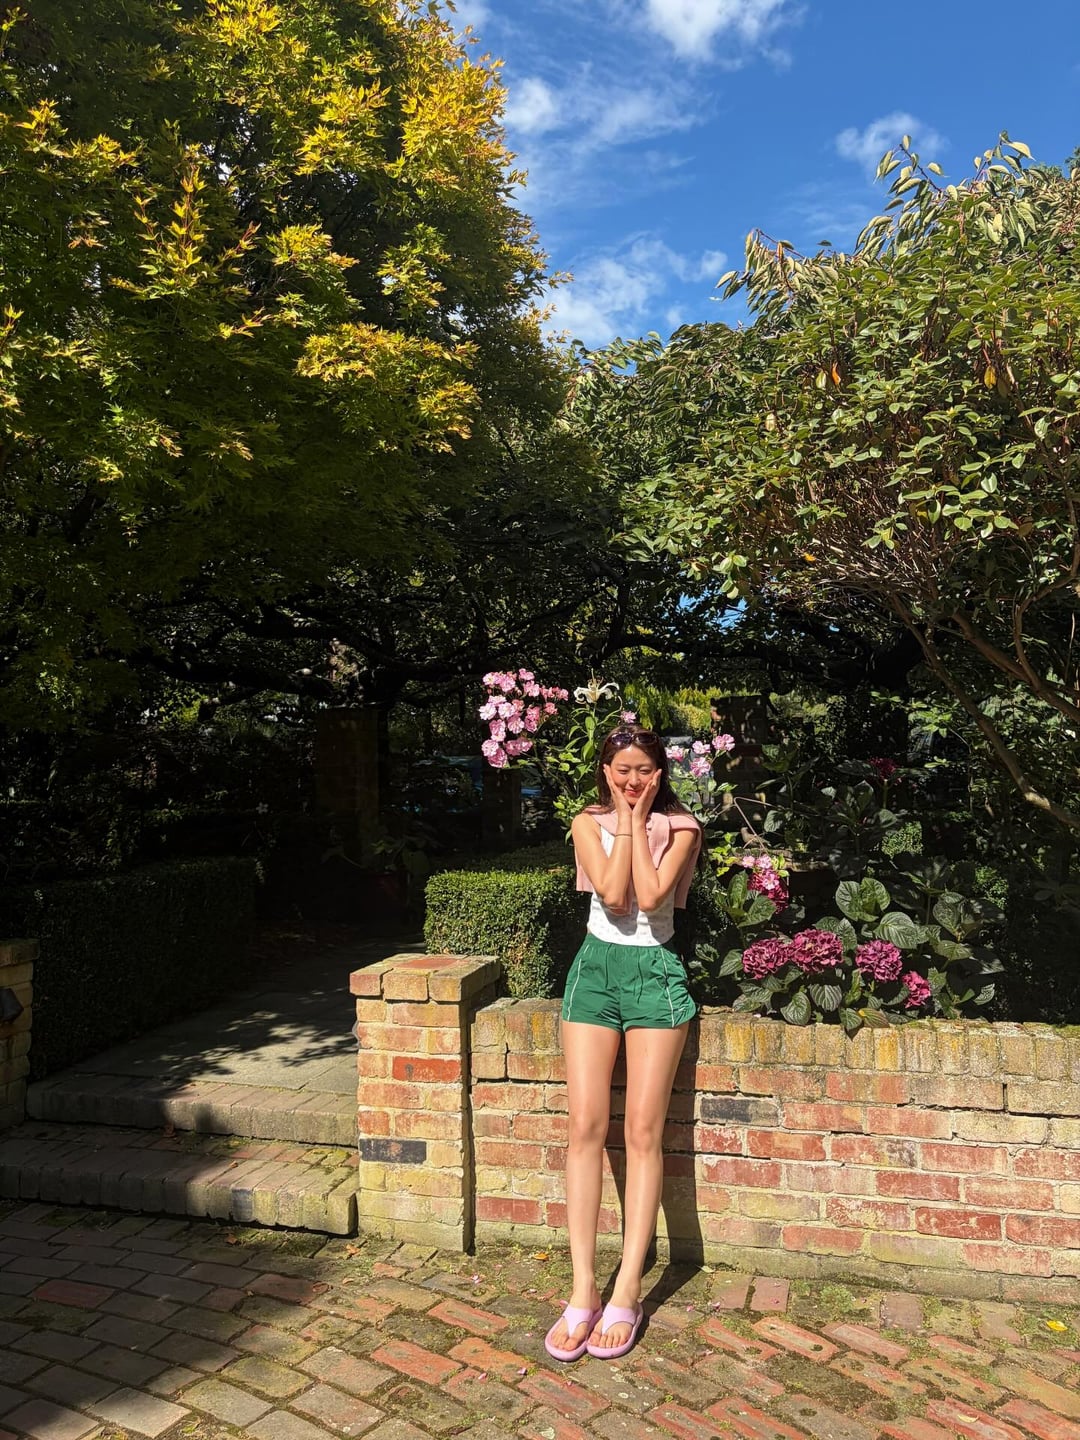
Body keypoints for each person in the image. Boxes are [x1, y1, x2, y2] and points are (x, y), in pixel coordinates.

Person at [544, 723, 702, 1363]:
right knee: (585, 1125)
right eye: (621, 770)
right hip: (595, 972)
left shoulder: (682, 828)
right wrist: (622, 823)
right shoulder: (586, 823)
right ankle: (583, 1287)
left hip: (655, 975)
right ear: (605, 771)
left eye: (643, 770)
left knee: (641, 1131)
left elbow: (651, 895)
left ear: (660, 772)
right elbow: (611, 895)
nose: (631, 780)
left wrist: (637, 822)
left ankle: (628, 1289)